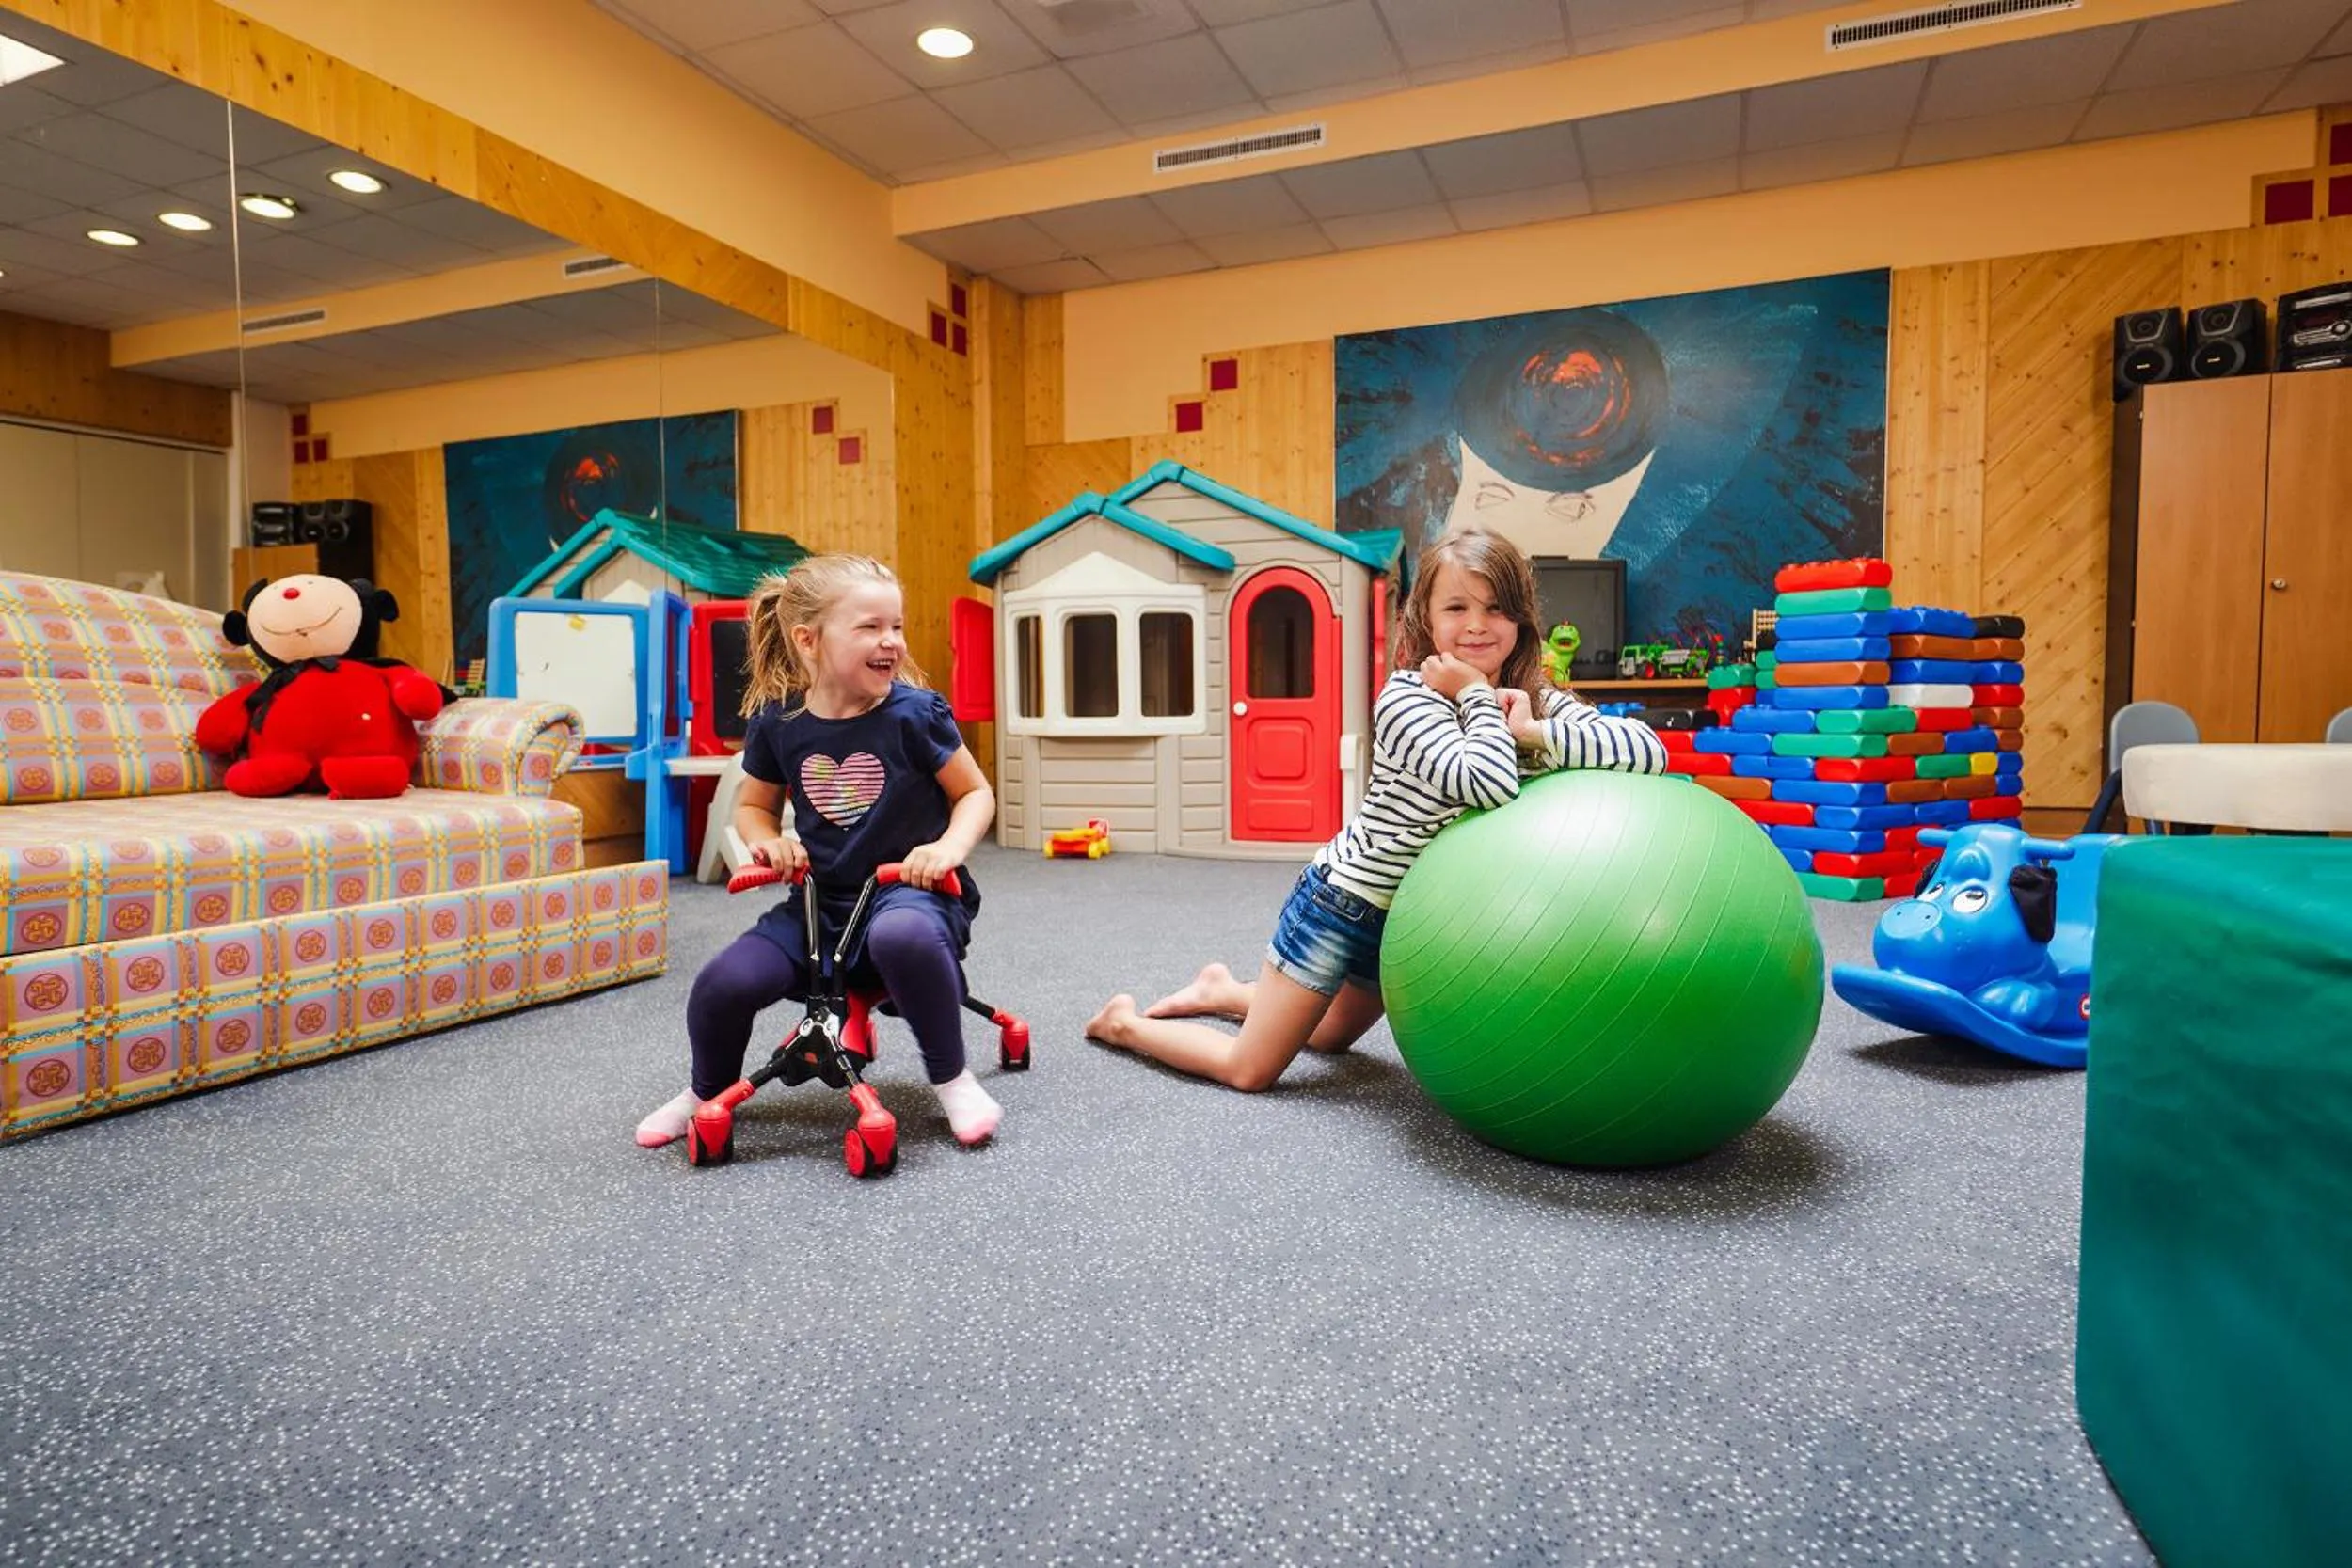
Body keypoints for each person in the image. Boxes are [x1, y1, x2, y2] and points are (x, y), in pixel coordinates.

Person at [1084, 528, 1667, 1091]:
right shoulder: (1407, 699)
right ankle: (1124, 1024)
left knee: (1333, 1036)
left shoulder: (1536, 700)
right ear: (1426, 619)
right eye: (1457, 608)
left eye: (1495, 609)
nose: (1476, 626)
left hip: (1410, 919)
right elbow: (1485, 782)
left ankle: (1225, 990)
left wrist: (1536, 730)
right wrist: (1472, 695)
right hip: (1345, 904)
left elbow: (1651, 752)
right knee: (1251, 1070)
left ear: (1520, 618)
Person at [635, 555, 1003, 1149]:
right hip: (820, 906)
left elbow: (974, 793)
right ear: (808, 639)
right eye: (870, 627)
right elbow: (751, 808)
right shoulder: (781, 722)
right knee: (722, 983)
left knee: (900, 938)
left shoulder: (915, 713)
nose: (891, 642)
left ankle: (952, 1078)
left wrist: (946, 849)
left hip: (910, 894)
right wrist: (767, 842)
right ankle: (705, 1092)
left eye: (897, 626)